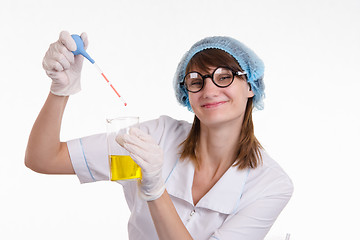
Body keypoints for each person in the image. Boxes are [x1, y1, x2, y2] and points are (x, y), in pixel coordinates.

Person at [25, 31, 293, 240]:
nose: (209, 90)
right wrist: (60, 91)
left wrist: (155, 189)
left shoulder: (271, 185)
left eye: (224, 77)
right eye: (196, 81)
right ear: (187, 94)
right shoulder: (155, 137)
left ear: (251, 86)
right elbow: (43, 158)